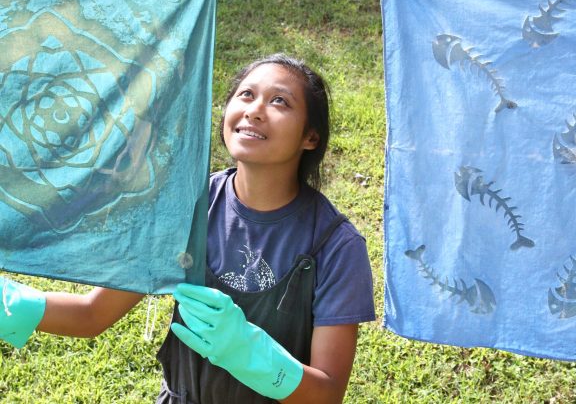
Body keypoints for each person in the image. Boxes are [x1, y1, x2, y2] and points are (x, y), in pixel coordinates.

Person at [0, 53, 375, 403]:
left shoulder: (336, 246)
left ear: (311, 137)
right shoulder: (189, 207)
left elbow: (327, 393)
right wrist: (12, 304)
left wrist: (252, 355)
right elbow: (91, 314)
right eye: (246, 94)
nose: (255, 111)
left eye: (280, 102)